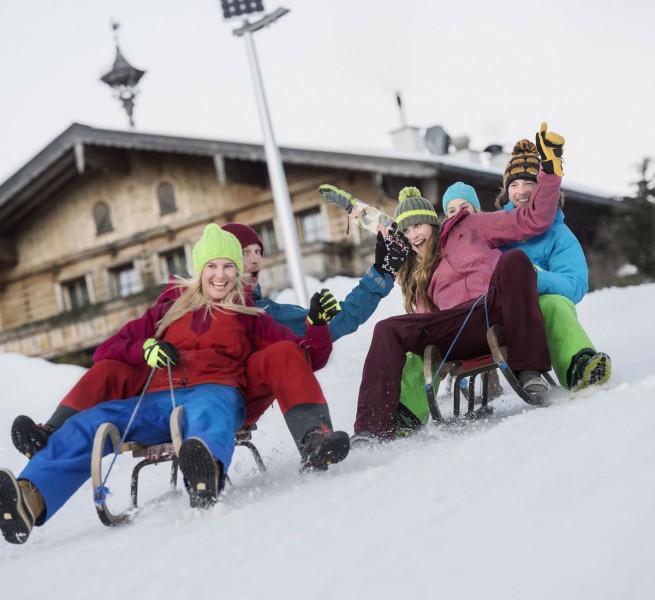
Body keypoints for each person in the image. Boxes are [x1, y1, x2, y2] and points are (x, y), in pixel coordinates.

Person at [0, 224, 346, 545]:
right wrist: (145, 348)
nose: (221, 275)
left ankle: (206, 470)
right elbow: (107, 350)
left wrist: (316, 325)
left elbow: (305, 359)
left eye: (228, 266)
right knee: (90, 422)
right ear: (200, 270)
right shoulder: (166, 311)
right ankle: (30, 497)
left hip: (216, 390)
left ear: (237, 272)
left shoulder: (252, 317)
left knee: (210, 413)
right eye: (212, 266)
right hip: (155, 399)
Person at [11, 222, 406, 460]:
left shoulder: (263, 313)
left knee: (283, 355)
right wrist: (144, 351)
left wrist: (380, 275)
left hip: (230, 397)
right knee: (113, 371)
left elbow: (332, 327)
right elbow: (119, 346)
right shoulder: (176, 306)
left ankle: (312, 440)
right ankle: (52, 433)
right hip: (175, 391)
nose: (254, 261)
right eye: (244, 253)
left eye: (257, 253)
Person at [352, 122, 564, 443]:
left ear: (435, 222)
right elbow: (391, 233)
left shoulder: (474, 224)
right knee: (388, 328)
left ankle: (530, 371)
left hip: (490, 309)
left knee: (515, 260)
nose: (415, 235)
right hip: (452, 327)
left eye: (421, 225)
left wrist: (549, 171)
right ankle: (373, 428)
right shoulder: (425, 263)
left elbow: (533, 219)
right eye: (409, 232)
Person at [494, 139, 611, 389]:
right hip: (499, 312)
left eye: (529, 183)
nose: (522, 191)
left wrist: (533, 277)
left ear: (543, 189)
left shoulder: (559, 235)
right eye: (514, 184)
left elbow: (575, 284)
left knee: (554, 302)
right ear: (506, 192)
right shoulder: (495, 232)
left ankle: (579, 364)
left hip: (540, 310)